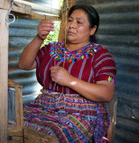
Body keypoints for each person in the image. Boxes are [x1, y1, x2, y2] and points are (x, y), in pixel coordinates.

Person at [18, 4, 116, 143]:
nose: (71, 25)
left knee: (49, 136)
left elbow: (106, 93)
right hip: (42, 107)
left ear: (92, 30)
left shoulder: (100, 55)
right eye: (70, 20)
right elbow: (24, 64)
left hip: (81, 114)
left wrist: (70, 80)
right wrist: (39, 38)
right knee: (13, 125)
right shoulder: (51, 49)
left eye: (79, 22)